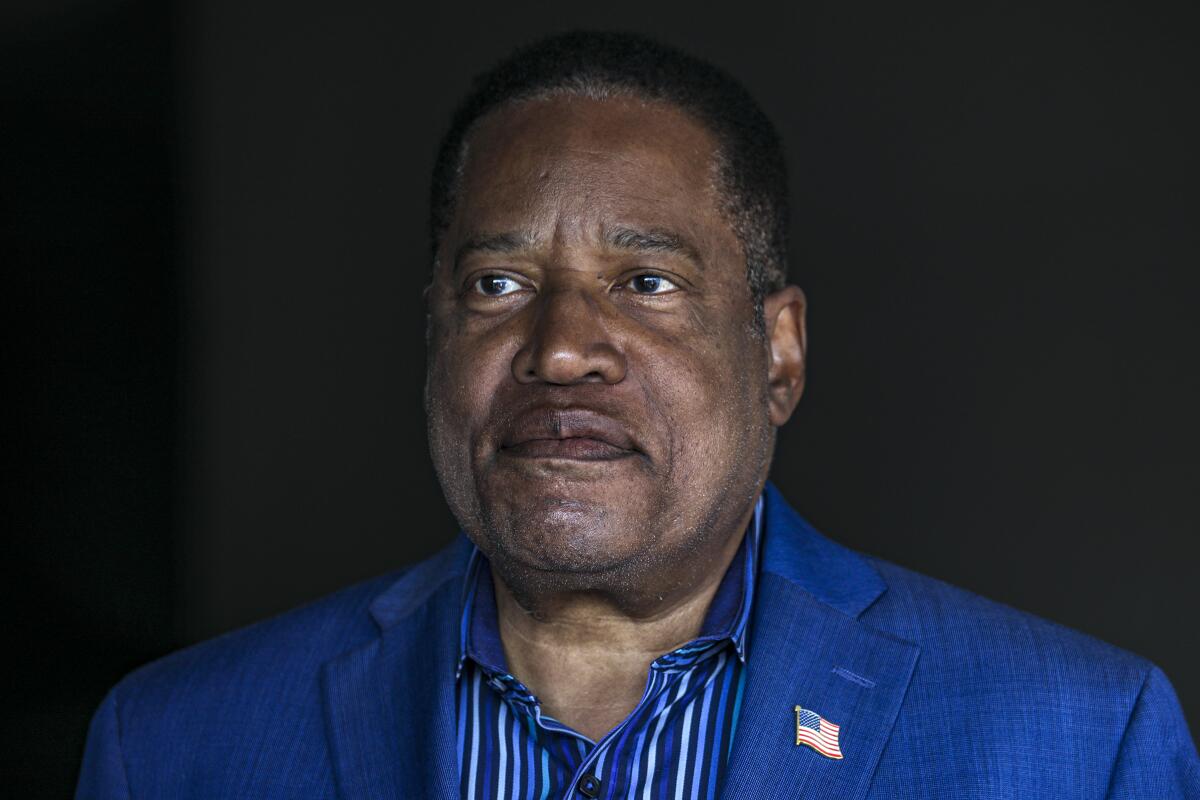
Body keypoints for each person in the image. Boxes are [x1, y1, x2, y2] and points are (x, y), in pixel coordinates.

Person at [76, 30, 1198, 799]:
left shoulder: (1078, 742)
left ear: (779, 351)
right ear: (435, 338)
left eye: (646, 282)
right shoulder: (176, 743)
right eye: (498, 285)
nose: (560, 348)